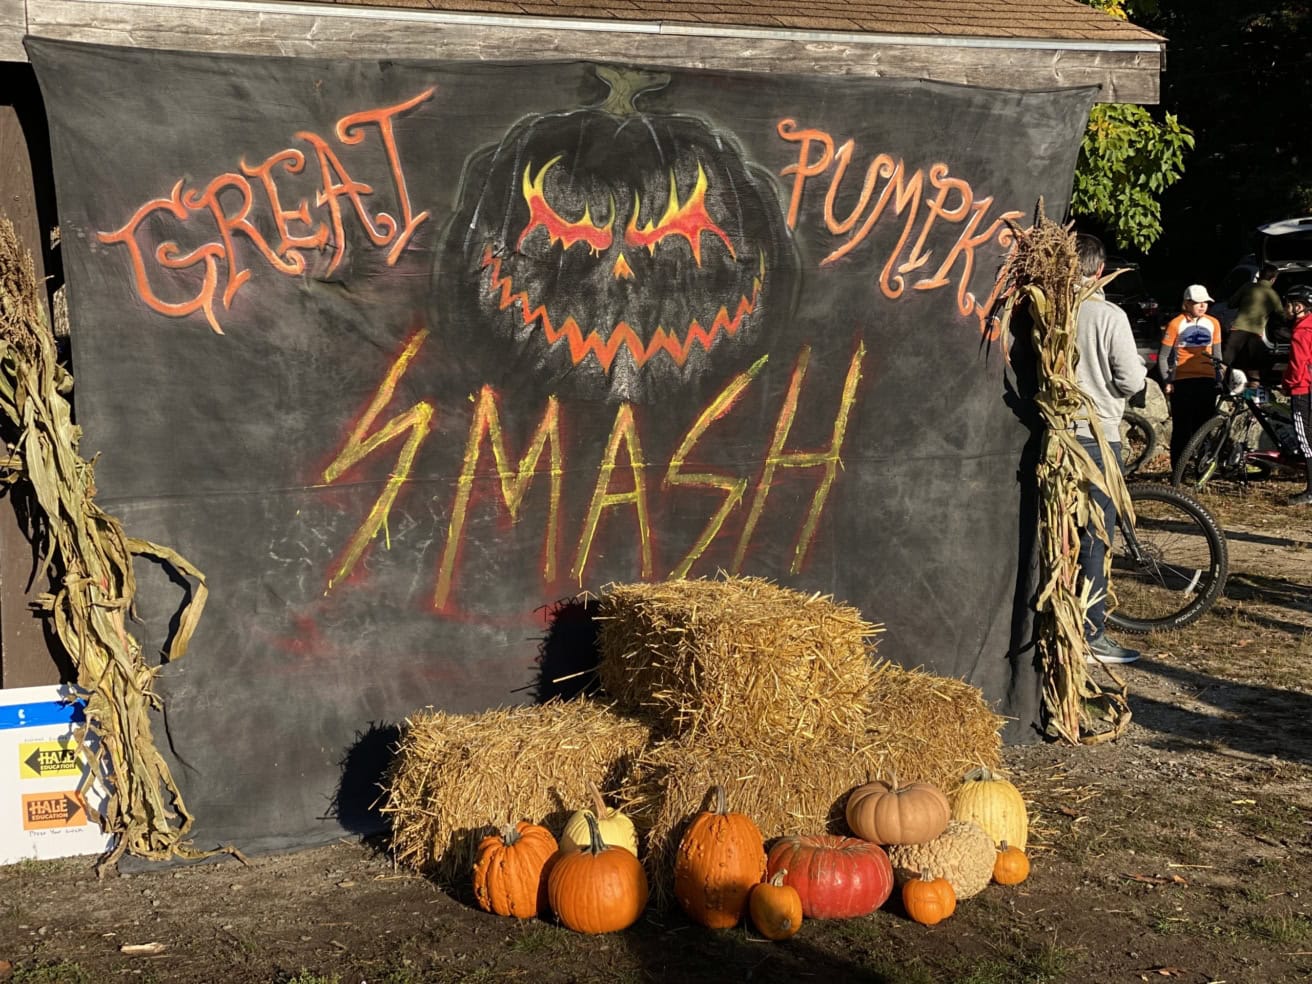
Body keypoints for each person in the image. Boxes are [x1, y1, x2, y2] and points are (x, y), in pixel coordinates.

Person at [1074, 234, 1148, 664]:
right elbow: (1132, 381)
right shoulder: (1107, 315)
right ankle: (1089, 633)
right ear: (1100, 270)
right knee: (1095, 536)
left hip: (1054, 439)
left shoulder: (1046, 312)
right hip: (1097, 436)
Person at [1159, 285, 1223, 472]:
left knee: (1203, 427)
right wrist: (1167, 381)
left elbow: (1217, 355)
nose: (1202, 306)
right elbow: (1163, 357)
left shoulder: (1214, 323)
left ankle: (1200, 469)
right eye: (1197, 303)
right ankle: (1178, 470)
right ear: (1186, 303)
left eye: (1205, 302)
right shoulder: (1175, 323)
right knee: (1181, 428)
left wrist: (1219, 380)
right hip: (1182, 381)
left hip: (1207, 379)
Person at [1222, 263, 1285, 376]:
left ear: (1259, 275)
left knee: (1225, 362)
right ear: (1273, 279)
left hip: (1238, 329)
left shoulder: (1248, 286)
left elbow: (1231, 304)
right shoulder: (1274, 295)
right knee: (1252, 366)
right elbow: (1282, 315)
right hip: (1256, 334)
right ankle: (1253, 388)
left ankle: (1219, 386)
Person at [1280, 284, 1312, 505]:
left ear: (1298, 306)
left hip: (1302, 390)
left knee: (1305, 440)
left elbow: (1297, 364)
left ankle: (1311, 490)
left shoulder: (1301, 332)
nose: (1285, 309)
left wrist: (1287, 384)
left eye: (1288, 305)